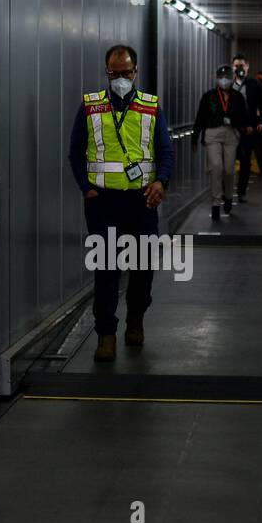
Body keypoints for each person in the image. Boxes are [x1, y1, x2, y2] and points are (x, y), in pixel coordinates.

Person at [67, 44, 173, 363]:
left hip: (141, 203)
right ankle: (106, 335)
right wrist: (87, 188)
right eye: (115, 73)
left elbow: (165, 151)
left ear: (136, 71)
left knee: (142, 269)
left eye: (126, 72)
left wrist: (161, 182)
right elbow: (75, 151)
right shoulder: (90, 106)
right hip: (103, 203)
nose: (121, 78)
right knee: (107, 268)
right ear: (107, 72)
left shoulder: (151, 107)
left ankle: (136, 320)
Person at [192, 64, 248, 222]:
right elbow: (200, 117)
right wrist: (195, 137)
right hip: (212, 132)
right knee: (216, 166)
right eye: (220, 77)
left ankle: (228, 196)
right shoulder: (209, 96)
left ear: (231, 79)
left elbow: (244, 118)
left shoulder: (237, 97)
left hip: (231, 133)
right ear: (216, 79)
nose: (223, 80)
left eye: (226, 78)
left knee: (229, 169)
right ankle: (216, 203)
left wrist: (237, 124)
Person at [230, 54, 262, 202]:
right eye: (236, 66)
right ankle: (225, 190)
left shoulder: (255, 84)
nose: (239, 68)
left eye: (242, 66)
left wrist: (261, 122)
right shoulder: (226, 83)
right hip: (230, 129)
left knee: (245, 161)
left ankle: (241, 192)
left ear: (247, 67)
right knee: (227, 161)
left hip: (248, 129)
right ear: (233, 67)